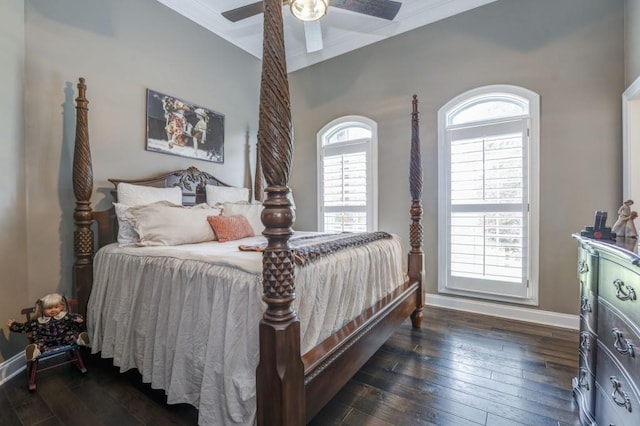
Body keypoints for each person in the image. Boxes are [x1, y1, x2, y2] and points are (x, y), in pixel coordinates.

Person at [7, 293, 90, 361]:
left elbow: (75, 318)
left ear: (61, 307)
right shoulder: (39, 320)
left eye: (56, 307)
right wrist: (13, 325)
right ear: (43, 309)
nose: (53, 310)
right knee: (39, 345)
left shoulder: (65, 316)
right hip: (46, 341)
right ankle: (34, 351)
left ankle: (81, 339)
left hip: (65, 338)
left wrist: (79, 319)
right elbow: (25, 327)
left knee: (72, 336)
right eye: (49, 308)